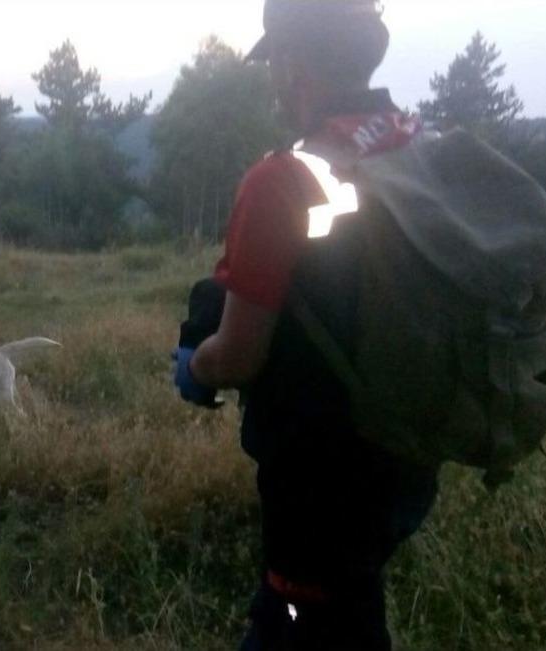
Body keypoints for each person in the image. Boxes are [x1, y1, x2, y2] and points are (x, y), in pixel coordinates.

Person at [173, 1, 442, 648]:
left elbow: (237, 356)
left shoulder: (282, 179)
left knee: (302, 620)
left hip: (321, 471)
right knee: (350, 608)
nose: (273, 78)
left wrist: (195, 366)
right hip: (406, 444)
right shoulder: (413, 139)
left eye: (274, 60)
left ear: (293, 63)